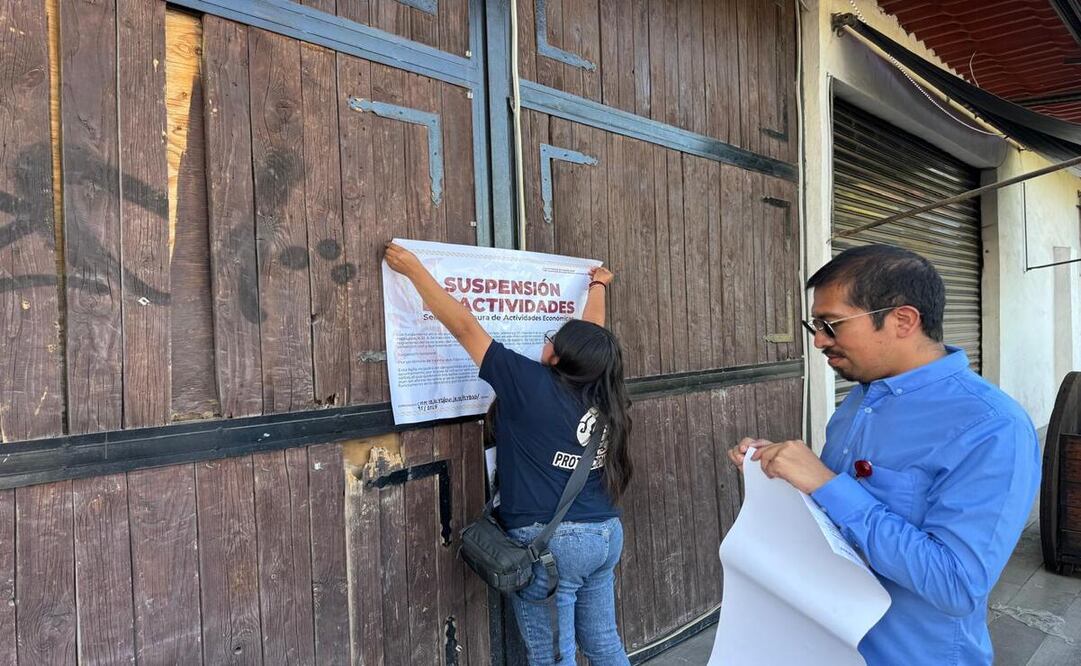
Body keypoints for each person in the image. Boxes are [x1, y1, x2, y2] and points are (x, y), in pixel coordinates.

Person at [727, 244, 1040, 665]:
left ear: (903, 320)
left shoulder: (991, 427)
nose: (819, 341)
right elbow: (835, 518)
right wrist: (783, 471)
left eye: (832, 324)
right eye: (814, 325)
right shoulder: (860, 400)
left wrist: (826, 483)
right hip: (826, 641)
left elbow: (957, 585)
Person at [384, 241, 633, 666]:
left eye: (552, 338)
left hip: (553, 547)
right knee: (604, 645)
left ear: (559, 356)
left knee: (552, 658)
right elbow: (591, 336)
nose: (547, 342)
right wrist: (598, 286)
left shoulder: (529, 383)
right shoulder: (601, 389)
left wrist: (413, 270)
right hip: (604, 535)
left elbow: (465, 327)